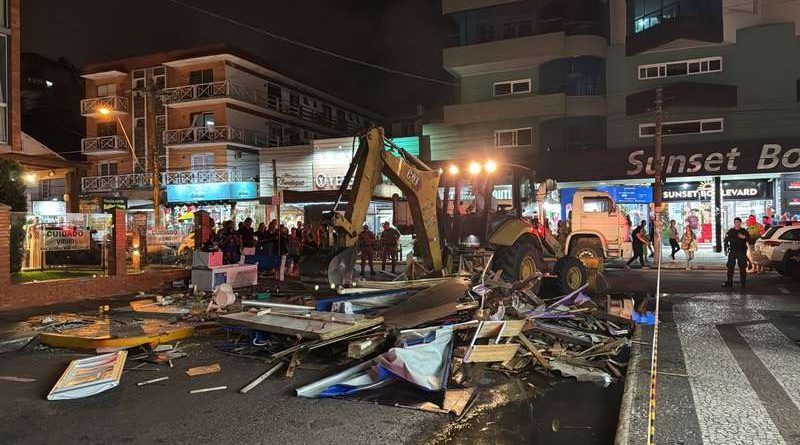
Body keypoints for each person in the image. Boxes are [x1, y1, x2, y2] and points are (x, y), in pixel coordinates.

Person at [723, 217, 751, 288]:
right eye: (736, 222)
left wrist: (744, 237)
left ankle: (743, 283)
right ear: (734, 223)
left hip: (741, 251)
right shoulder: (731, 231)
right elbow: (726, 240)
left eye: (738, 222)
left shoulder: (743, 231)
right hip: (733, 251)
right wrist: (725, 249)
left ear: (740, 223)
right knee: (730, 266)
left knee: (742, 267)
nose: (737, 224)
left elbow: (750, 240)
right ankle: (729, 281)